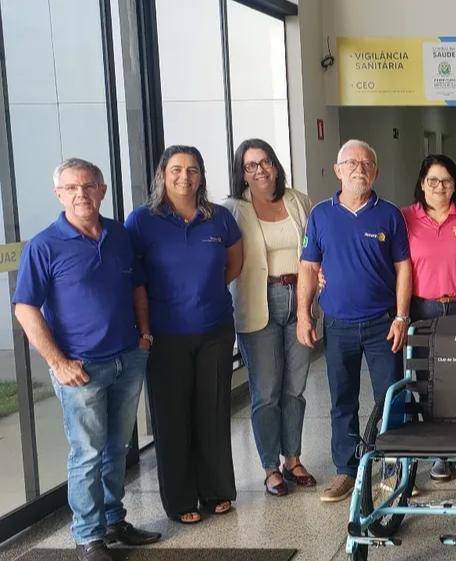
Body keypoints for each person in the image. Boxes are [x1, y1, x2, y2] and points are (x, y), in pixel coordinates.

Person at [13, 159, 161, 561]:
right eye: (72, 188)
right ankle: (88, 537)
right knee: (88, 453)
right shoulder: (44, 246)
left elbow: (137, 286)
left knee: (117, 448)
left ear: (102, 190)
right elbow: (25, 308)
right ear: (59, 194)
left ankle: (113, 520)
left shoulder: (118, 234)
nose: (81, 194)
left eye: (89, 186)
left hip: (127, 358)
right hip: (81, 370)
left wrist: (145, 334)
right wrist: (58, 362)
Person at [126, 146, 243, 524]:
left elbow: (234, 263)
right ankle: (180, 500)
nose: (184, 177)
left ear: (201, 175)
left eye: (192, 169)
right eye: (176, 169)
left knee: (213, 413)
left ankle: (216, 491)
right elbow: (134, 279)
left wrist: (205, 294)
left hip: (215, 331)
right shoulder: (142, 221)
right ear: (162, 174)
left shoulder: (219, 218)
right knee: (172, 419)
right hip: (165, 334)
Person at [296, 139, 411, 503]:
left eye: (366, 163)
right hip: (338, 324)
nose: (359, 168)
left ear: (375, 171)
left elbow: (403, 267)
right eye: (351, 163)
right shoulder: (321, 215)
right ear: (338, 170)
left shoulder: (389, 214)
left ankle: (394, 470)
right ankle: (346, 470)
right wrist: (303, 313)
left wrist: (402, 316)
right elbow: (309, 267)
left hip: (382, 324)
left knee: (390, 397)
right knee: (342, 400)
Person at [224, 139, 316, 497]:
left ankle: (293, 458)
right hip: (259, 300)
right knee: (265, 392)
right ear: (242, 172)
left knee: (295, 388)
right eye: (250, 165)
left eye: (265, 162)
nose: (259, 170)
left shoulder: (298, 200)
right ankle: (270, 467)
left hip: (300, 300)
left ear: (275, 165)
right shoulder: (234, 209)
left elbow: (314, 248)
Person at [401, 154, 456, 482]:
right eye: (432, 180)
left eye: (446, 180)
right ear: (422, 183)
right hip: (423, 311)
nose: (439, 186)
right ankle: (439, 453)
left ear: (455, 184)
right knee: (427, 383)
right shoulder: (406, 218)